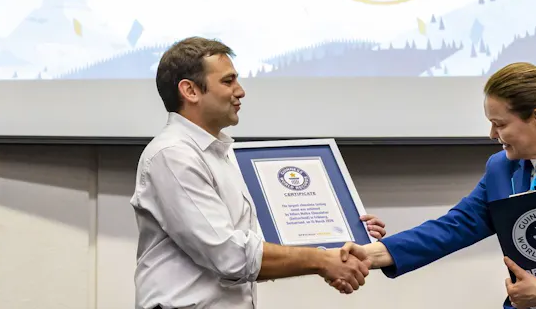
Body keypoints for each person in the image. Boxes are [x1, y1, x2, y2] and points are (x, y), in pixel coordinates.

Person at [336, 62, 536, 309]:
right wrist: (370, 254)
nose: (492, 135)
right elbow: (454, 226)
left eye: (500, 124)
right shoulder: (501, 169)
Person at [130, 36, 387, 309]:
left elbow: (252, 246)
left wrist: (351, 236)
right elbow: (229, 255)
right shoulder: (173, 155)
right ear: (190, 91)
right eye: (228, 81)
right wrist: (323, 260)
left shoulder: (218, 155)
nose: (240, 91)